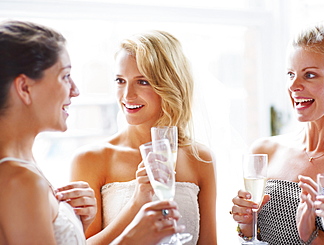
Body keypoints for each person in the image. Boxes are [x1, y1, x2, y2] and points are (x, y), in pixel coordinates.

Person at [0, 20, 183, 245]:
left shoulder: (24, 168)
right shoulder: (20, 180)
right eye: (65, 76)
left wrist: (76, 224)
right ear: (25, 88)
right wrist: (131, 240)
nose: (75, 91)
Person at [70, 30, 217, 245]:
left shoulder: (201, 159)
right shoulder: (90, 159)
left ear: (170, 84)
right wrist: (137, 202)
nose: (127, 95)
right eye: (120, 80)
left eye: (143, 81)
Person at [231, 22, 324, 244]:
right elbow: (253, 238)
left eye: (310, 75)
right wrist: (246, 225)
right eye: (290, 74)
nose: (293, 85)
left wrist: (312, 235)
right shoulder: (263, 150)